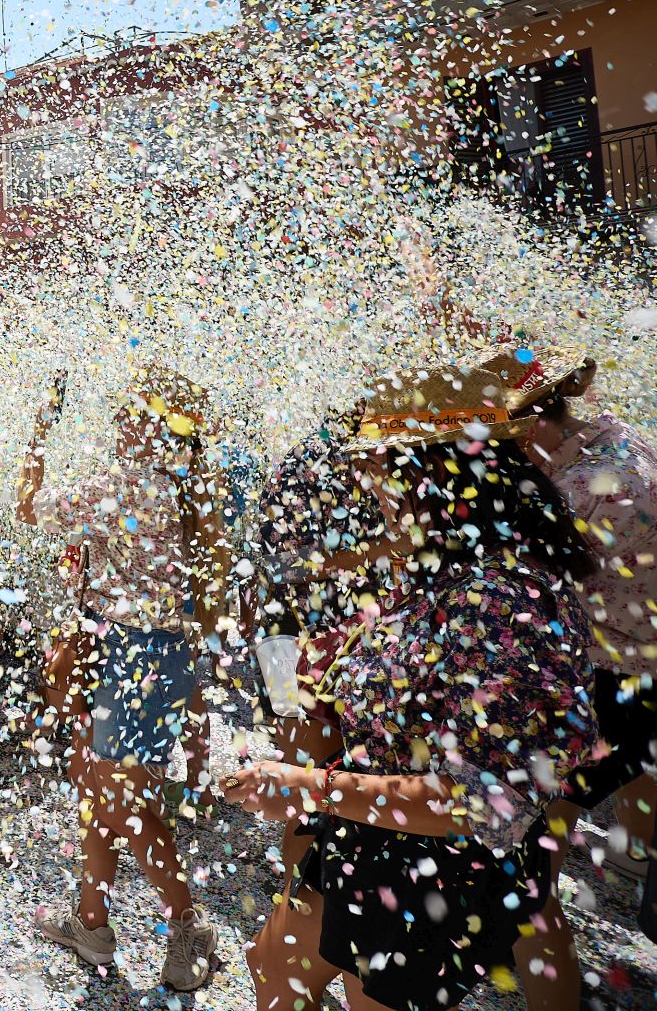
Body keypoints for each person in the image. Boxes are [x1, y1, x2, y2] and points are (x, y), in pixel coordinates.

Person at [228, 353, 598, 1011]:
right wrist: (330, 659)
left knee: (363, 997)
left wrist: (305, 785)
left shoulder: (499, 597)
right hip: (368, 828)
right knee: (272, 967)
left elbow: (470, 799)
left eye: (383, 468)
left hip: (436, 868)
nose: (371, 483)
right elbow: (413, 649)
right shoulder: (453, 556)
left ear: (433, 476)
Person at [14, 367, 225, 992]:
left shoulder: (126, 484)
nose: (115, 421)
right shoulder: (180, 486)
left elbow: (28, 506)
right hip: (155, 657)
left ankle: (190, 925)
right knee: (100, 792)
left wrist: (39, 430)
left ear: (152, 426)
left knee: (120, 802)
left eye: (128, 412)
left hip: (131, 656)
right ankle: (91, 922)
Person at [509, 349, 657, 1001]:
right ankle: (622, 869)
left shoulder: (574, 497)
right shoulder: (620, 437)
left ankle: (544, 965)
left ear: (520, 426)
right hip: (633, 682)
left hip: (612, 686)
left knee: (527, 857)